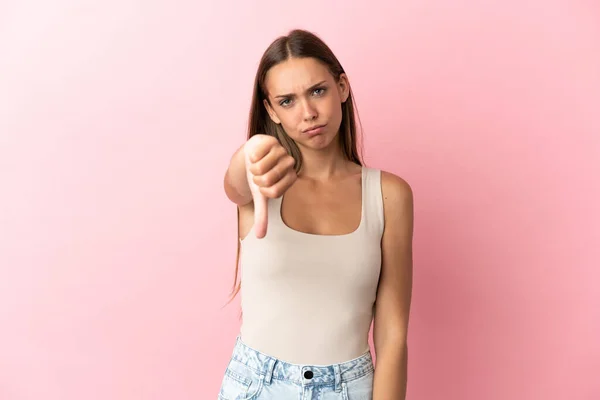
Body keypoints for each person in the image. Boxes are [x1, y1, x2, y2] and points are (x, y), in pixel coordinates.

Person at [219, 28, 413, 400]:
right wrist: (250, 154)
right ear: (271, 110)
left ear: (342, 87)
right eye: (287, 101)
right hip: (255, 384)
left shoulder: (389, 195)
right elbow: (235, 184)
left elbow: (393, 335)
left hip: (348, 387)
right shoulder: (259, 183)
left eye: (317, 91)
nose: (308, 113)